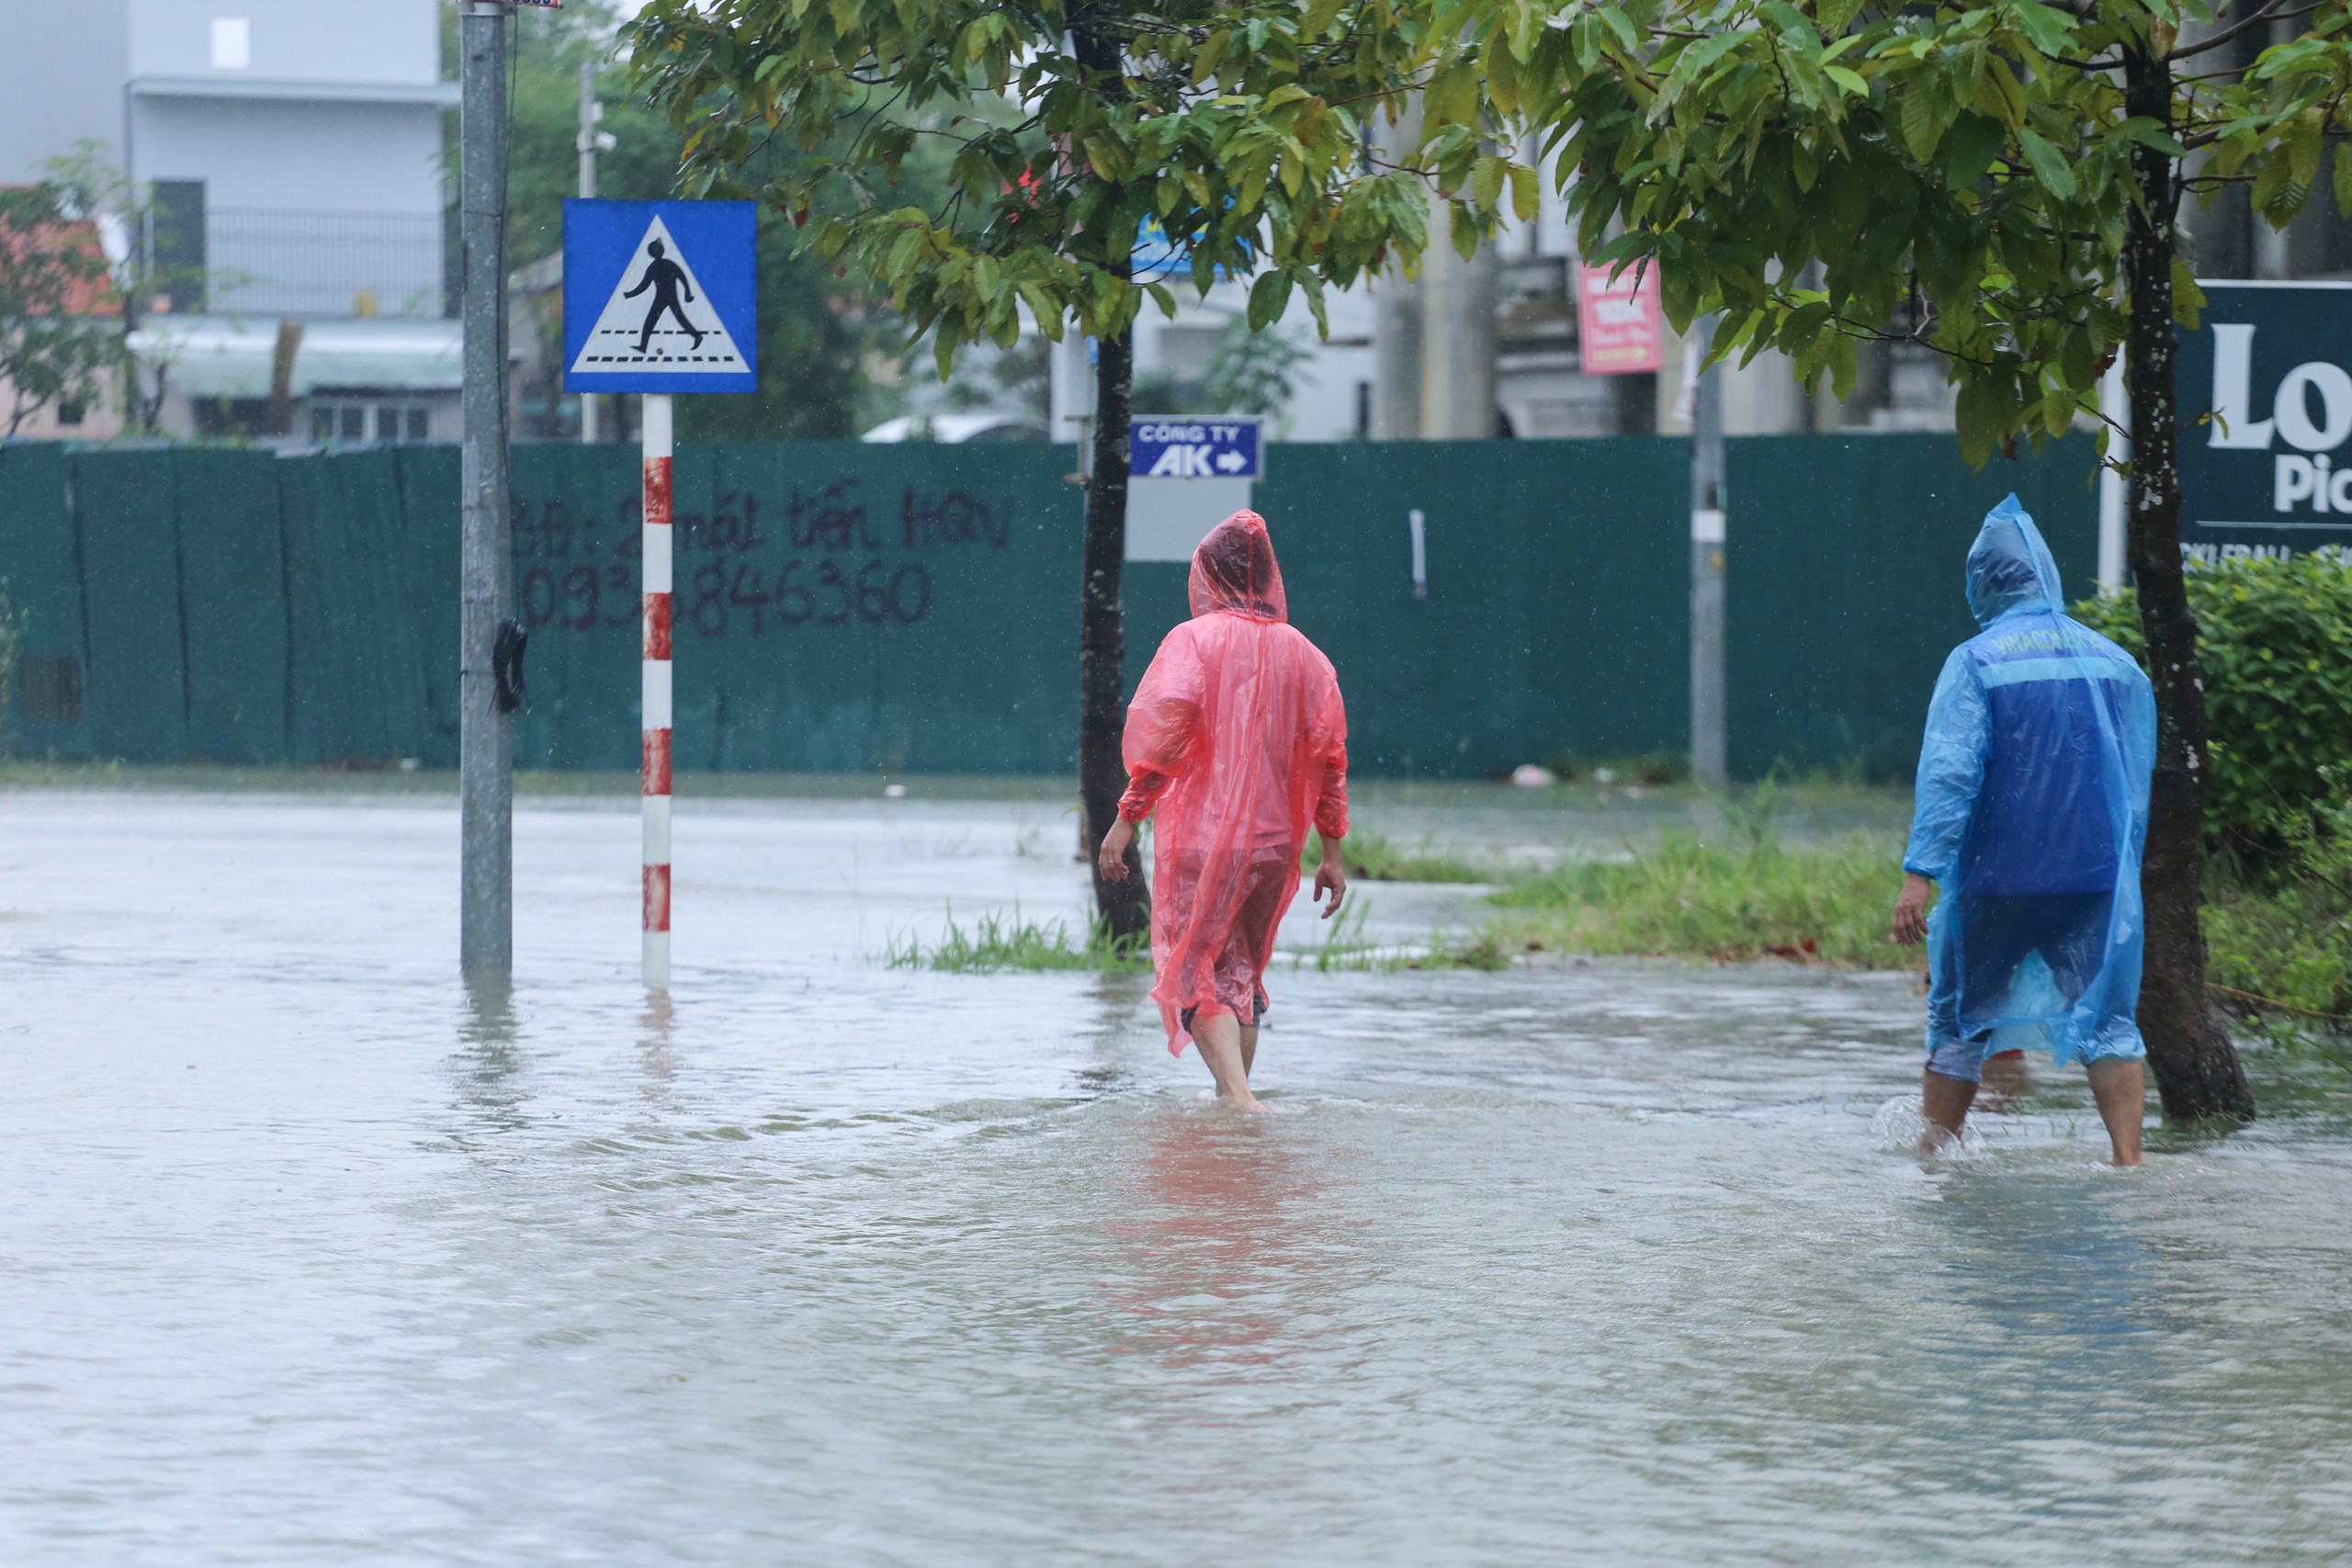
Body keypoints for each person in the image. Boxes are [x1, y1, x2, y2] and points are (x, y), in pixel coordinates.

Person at [1891, 495, 2156, 1165]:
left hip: (1996, 879)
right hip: (2095, 883)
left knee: (1958, 1023)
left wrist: (1919, 874)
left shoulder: (1976, 662)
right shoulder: (2116, 663)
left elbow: (1950, 775)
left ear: (1984, 580)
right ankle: (2129, 1164)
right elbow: (2134, 777)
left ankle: (1934, 1161)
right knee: (2110, 1025)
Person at [1099, 510, 1350, 1111]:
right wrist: (1333, 852)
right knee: (1242, 971)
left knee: (1191, 968)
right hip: (1274, 849)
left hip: (1205, 843)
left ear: (1209, 575)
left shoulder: (1194, 641)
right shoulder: (1307, 655)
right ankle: (1232, 1109)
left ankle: (1240, 1099)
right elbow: (1331, 757)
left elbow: (1166, 736)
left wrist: (1127, 817)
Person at [624, 239, 705, 355]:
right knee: (654, 321)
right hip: (663, 298)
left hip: (667, 297)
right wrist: (630, 294)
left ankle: (697, 336)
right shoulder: (657, 267)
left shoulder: (664, 265)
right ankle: (643, 346)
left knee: (674, 319)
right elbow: (643, 286)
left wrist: (687, 293)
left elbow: (682, 278)